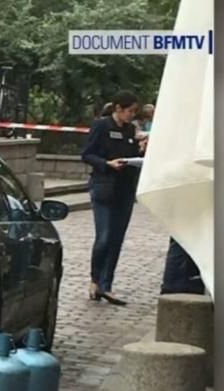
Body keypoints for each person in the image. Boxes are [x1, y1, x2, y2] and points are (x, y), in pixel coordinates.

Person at [81, 91, 143, 305]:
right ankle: (95, 280)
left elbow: (132, 155)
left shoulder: (130, 130)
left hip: (124, 190)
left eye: (135, 112)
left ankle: (106, 286)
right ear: (118, 108)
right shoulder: (101, 126)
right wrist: (106, 164)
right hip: (104, 187)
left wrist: (140, 150)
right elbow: (87, 154)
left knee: (116, 239)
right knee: (104, 237)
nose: (132, 115)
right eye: (130, 111)